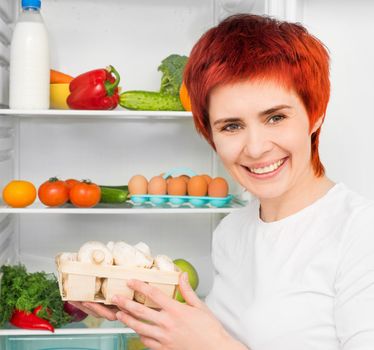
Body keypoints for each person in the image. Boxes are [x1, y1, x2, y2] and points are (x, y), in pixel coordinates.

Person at [72, 14, 374, 349]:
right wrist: (136, 304)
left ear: (315, 113)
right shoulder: (231, 231)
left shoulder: (359, 234)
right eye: (231, 126)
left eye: (276, 117)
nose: (256, 147)